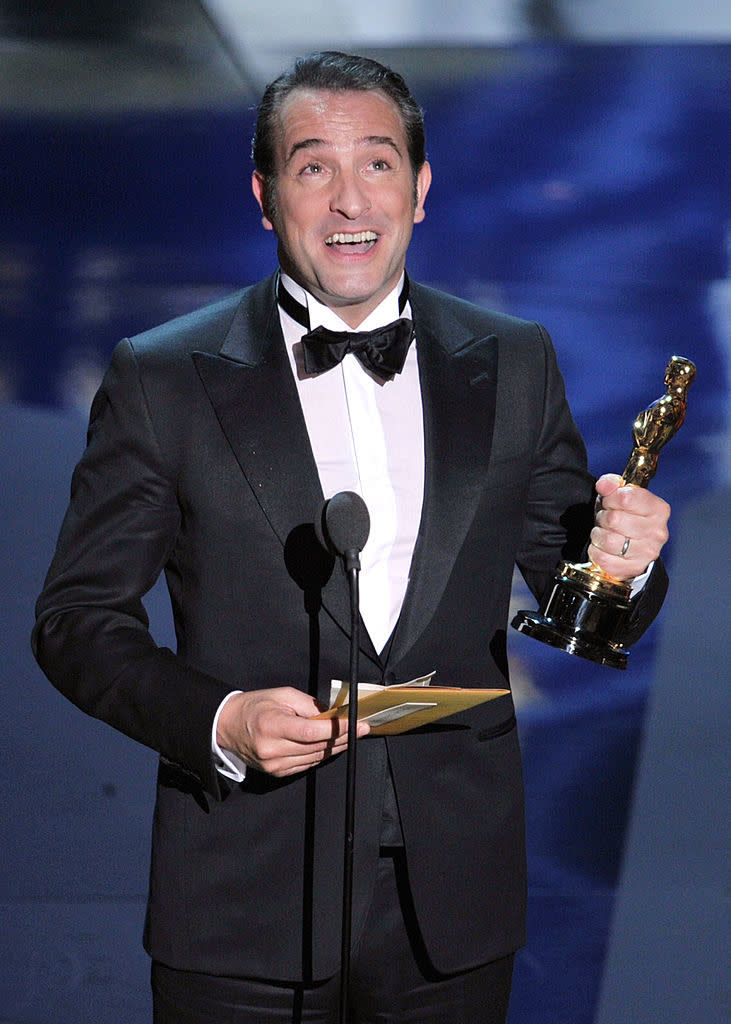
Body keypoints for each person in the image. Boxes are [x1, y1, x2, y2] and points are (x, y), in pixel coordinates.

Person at [33, 51, 671, 1024]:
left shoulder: (514, 361)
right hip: (240, 900)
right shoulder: (162, 378)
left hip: (451, 904)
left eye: (374, 163)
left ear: (418, 188)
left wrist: (619, 568)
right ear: (263, 194)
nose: (345, 199)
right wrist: (222, 721)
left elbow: (570, 584)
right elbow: (77, 621)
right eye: (310, 166)